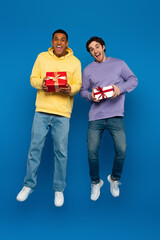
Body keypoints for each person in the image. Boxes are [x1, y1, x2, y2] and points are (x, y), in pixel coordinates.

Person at [16, 29, 82, 207]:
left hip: (62, 113)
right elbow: (33, 79)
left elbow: (77, 84)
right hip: (42, 110)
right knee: (34, 149)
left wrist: (71, 89)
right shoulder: (41, 57)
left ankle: (59, 189)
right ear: (52, 42)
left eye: (62, 40)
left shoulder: (75, 62)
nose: (59, 42)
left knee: (61, 152)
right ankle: (28, 185)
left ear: (67, 43)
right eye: (56, 39)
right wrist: (42, 84)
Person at [80, 36, 138, 201]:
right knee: (91, 151)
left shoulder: (119, 64)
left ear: (103, 47)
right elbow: (82, 91)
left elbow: (133, 80)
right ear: (91, 53)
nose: (95, 51)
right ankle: (95, 182)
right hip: (96, 117)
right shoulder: (88, 70)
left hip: (116, 115)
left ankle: (114, 178)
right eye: (91, 49)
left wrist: (119, 88)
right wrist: (91, 95)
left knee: (122, 150)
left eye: (97, 47)